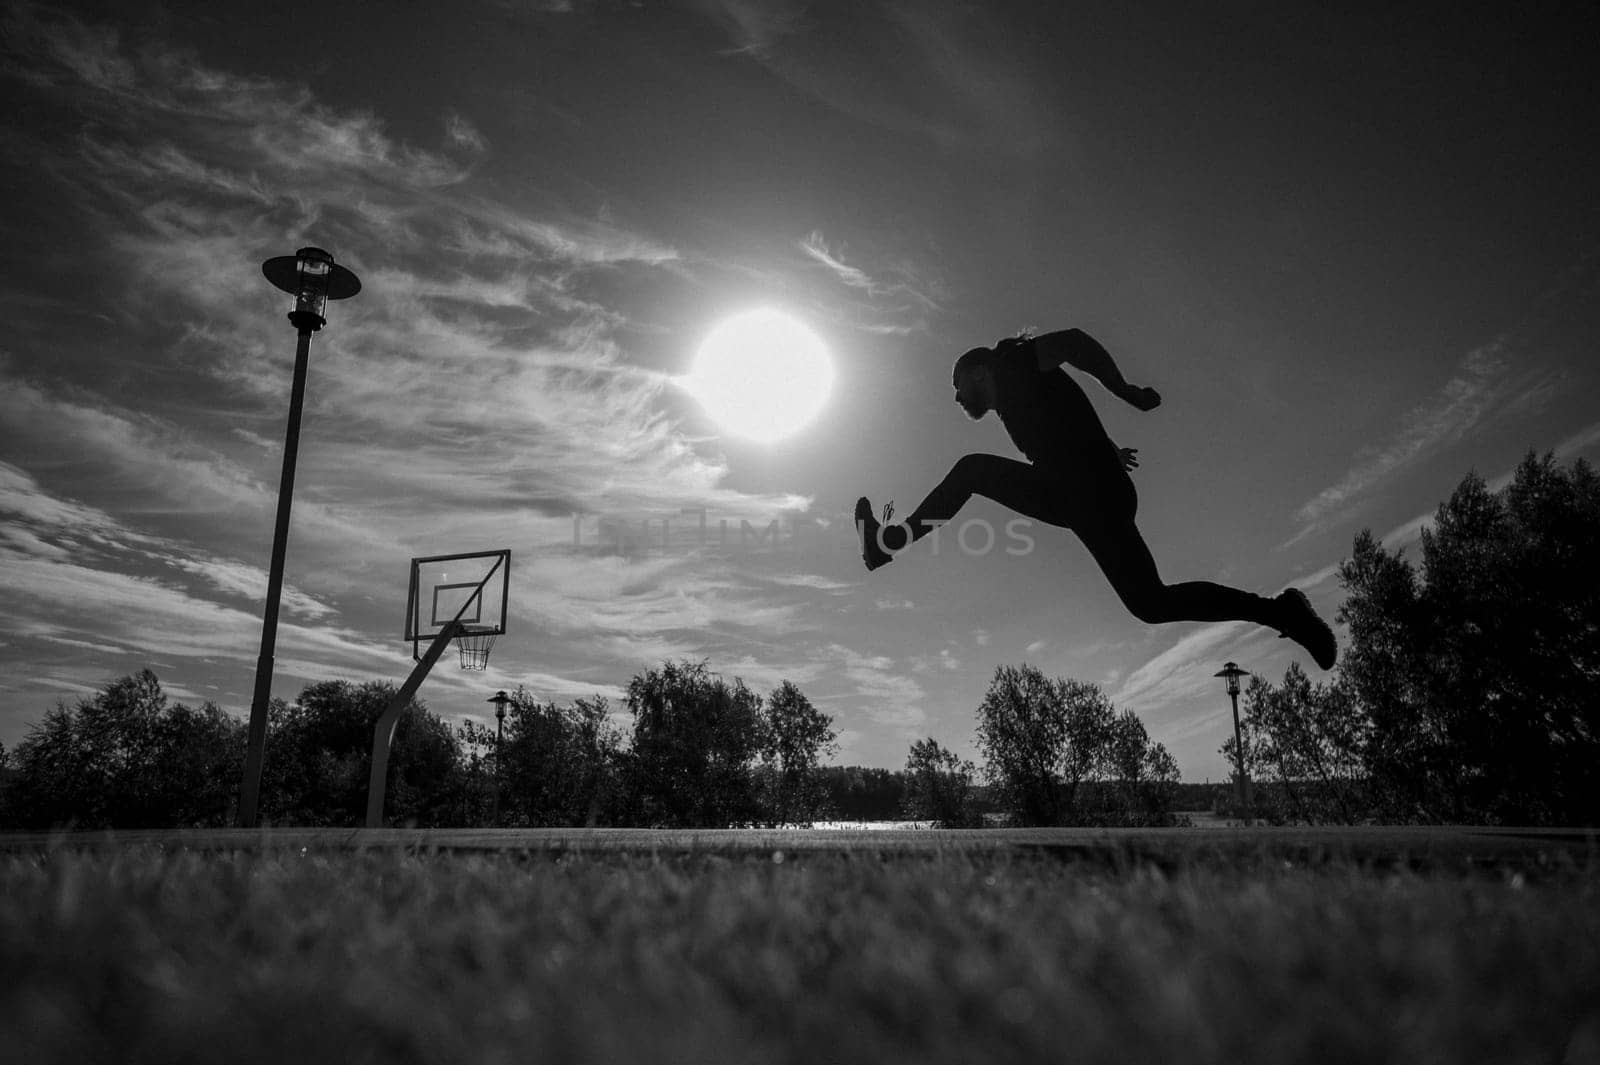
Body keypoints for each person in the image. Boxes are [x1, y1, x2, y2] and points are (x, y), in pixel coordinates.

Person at [854, 328, 1337, 669]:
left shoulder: (1014, 363)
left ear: (979, 371)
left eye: (959, 388)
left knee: (972, 470)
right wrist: (1104, 446)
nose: (958, 400)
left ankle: (887, 543)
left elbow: (1075, 342)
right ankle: (1282, 612)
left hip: (1087, 489)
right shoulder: (1016, 405)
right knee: (1150, 603)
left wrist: (1124, 391)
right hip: (1082, 497)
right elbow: (1066, 419)